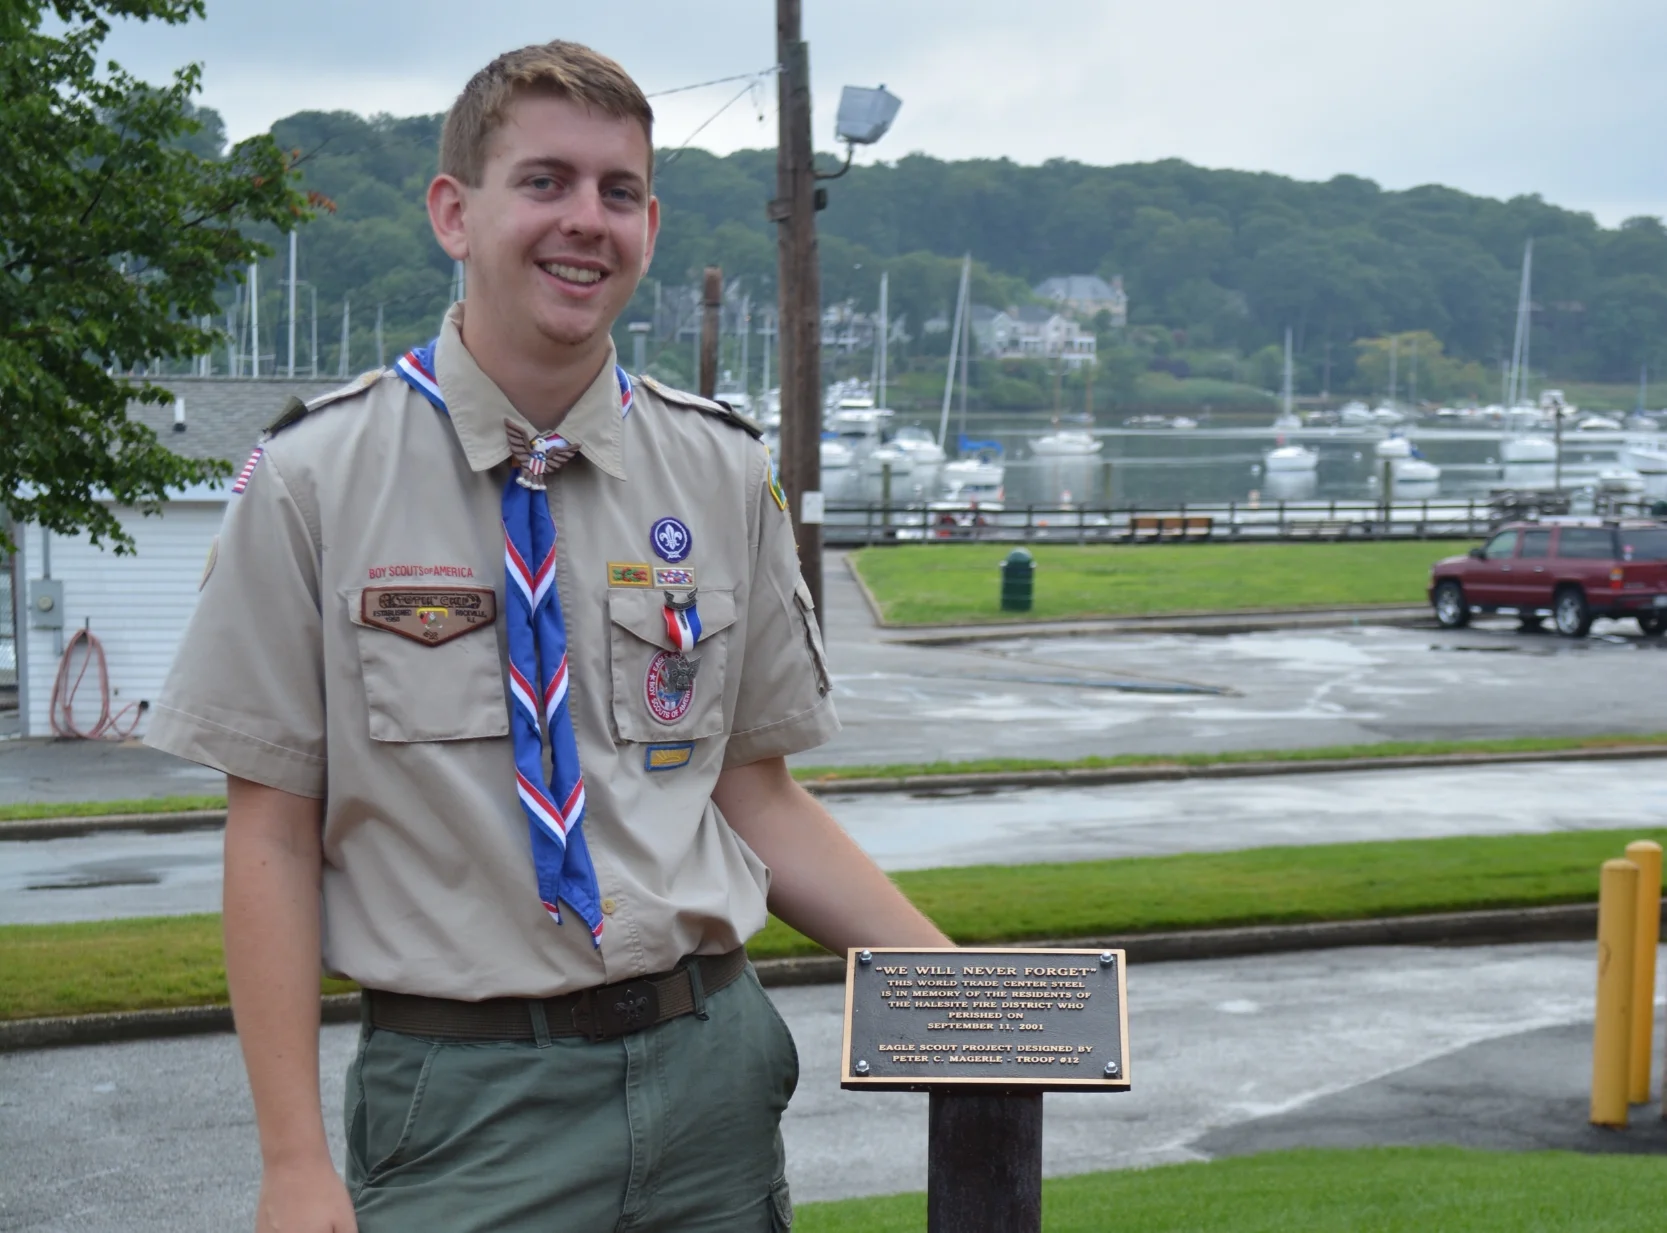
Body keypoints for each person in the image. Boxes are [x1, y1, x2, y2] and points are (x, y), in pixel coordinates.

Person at [146, 40, 950, 1233]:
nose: (585, 219)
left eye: (618, 191)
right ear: (453, 212)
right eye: (544, 181)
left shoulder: (719, 470)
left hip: (710, 1084)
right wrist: (292, 1161)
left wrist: (966, 986)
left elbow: (757, 797)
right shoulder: (314, 478)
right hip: (465, 1103)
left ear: (649, 227)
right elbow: (270, 831)